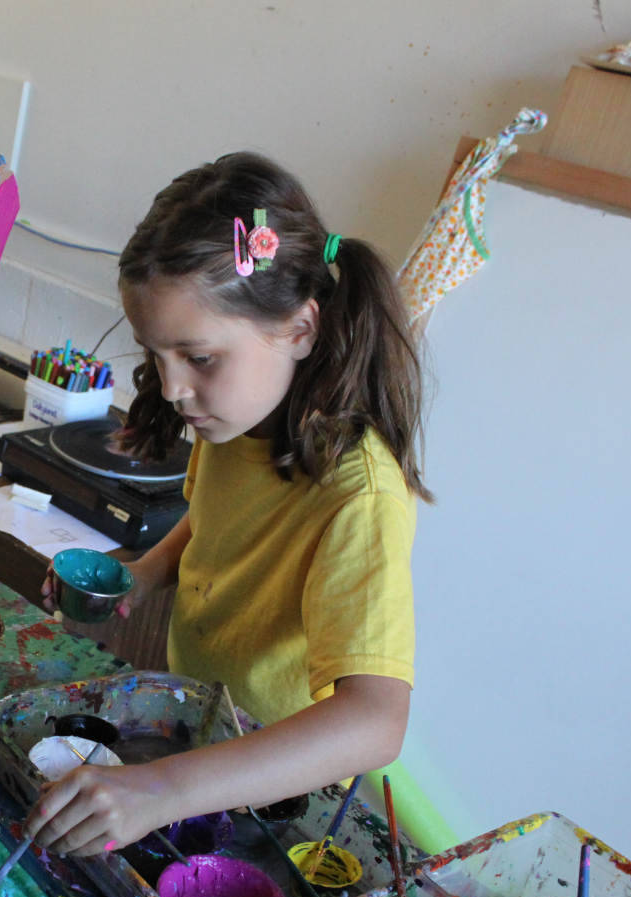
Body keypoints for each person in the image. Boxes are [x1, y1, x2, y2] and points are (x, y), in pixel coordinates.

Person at [27, 151, 431, 858]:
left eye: (200, 358)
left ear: (299, 330)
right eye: (157, 358)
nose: (173, 389)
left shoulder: (358, 494)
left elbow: (376, 720)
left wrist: (162, 789)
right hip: (198, 740)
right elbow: (211, 521)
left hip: (272, 793)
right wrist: (144, 574)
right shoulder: (239, 420)